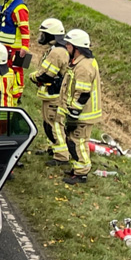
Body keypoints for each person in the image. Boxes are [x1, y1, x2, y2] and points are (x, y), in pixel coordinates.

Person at [52, 29, 102, 185]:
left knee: (78, 142)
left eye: (69, 44)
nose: (66, 47)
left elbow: (82, 94)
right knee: (74, 141)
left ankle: (82, 173)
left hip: (83, 114)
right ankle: (77, 168)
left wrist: (73, 114)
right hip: (80, 113)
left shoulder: (83, 68)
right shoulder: (80, 63)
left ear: (77, 48)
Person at [29, 18, 69, 147]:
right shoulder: (57, 49)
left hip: (55, 95)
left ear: (52, 35)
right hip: (52, 94)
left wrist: (33, 77)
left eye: (44, 34)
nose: (42, 37)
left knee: (53, 124)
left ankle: (61, 155)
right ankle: (53, 148)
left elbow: (46, 75)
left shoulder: (57, 52)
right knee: (49, 123)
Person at [0, 0, 31, 97]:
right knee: (5, 69)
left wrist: (25, 47)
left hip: (14, 47)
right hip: (4, 45)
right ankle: (7, 90)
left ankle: (17, 95)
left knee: (16, 70)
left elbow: (24, 29)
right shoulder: (8, 4)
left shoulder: (19, 8)